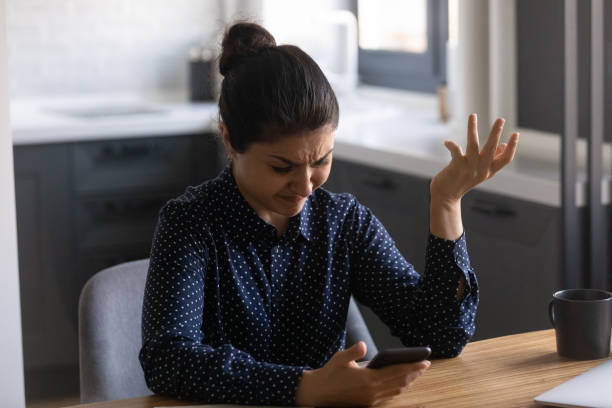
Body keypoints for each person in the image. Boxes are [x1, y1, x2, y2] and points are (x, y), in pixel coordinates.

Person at [139, 21, 519, 407]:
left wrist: (447, 201)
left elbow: (443, 335)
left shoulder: (343, 222)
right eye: (281, 167)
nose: (305, 185)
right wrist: (303, 386)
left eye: (321, 161)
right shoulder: (190, 222)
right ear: (229, 140)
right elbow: (167, 360)